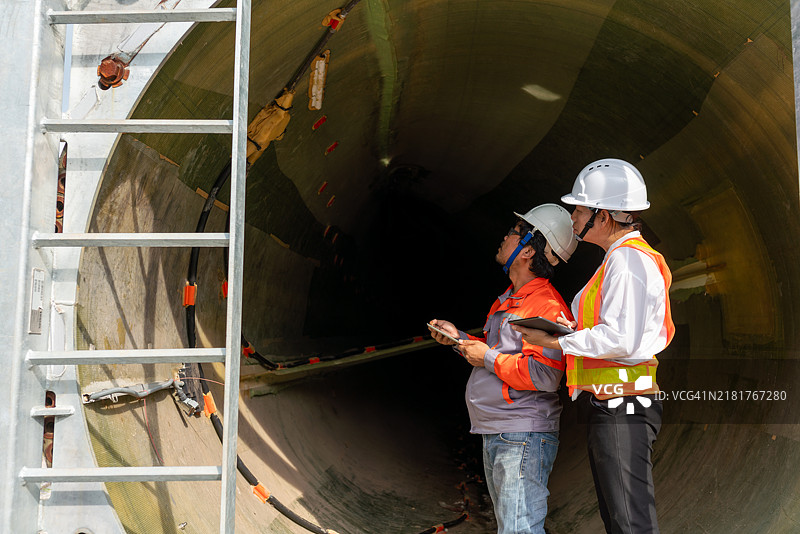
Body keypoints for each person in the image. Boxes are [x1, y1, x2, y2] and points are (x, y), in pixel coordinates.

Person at [513, 159, 674, 534]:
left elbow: (621, 339)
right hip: (615, 404)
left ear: (603, 217)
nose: (573, 216)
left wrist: (556, 338)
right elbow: (615, 329)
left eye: (580, 209)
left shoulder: (629, 261)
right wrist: (569, 329)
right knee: (619, 519)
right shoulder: (618, 260)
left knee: (628, 523)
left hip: (624, 406)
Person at [429, 203, 577, 534]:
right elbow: (495, 352)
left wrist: (486, 357)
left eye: (513, 232)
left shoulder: (547, 306)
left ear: (527, 250)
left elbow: (545, 375)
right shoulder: (508, 300)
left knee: (518, 529)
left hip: (521, 434)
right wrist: (458, 339)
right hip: (499, 429)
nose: (504, 237)